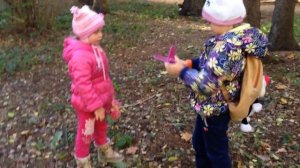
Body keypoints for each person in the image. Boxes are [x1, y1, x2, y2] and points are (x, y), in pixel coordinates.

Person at [163, 0, 268, 167]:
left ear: (225, 21)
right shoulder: (227, 39)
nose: (208, 22)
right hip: (208, 108)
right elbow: (209, 64)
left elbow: (207, 85)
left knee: (216, 153)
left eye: (211, 20)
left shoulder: (227, 49)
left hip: (215, 109)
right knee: (200, 144)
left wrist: (180, 72)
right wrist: (189, 63)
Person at [62, 5, 124, 167]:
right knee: (86, 133)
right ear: (84, 34)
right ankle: (82, 160)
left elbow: (102, 78)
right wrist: (96, 105)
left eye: (100, 31)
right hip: (87, 104)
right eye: (96, 32)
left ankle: (103, 151)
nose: (101, 35)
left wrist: (108, 100)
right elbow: (83, 84)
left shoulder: (95, 49)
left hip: (100, 101)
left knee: (101, 127)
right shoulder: (80, 56)